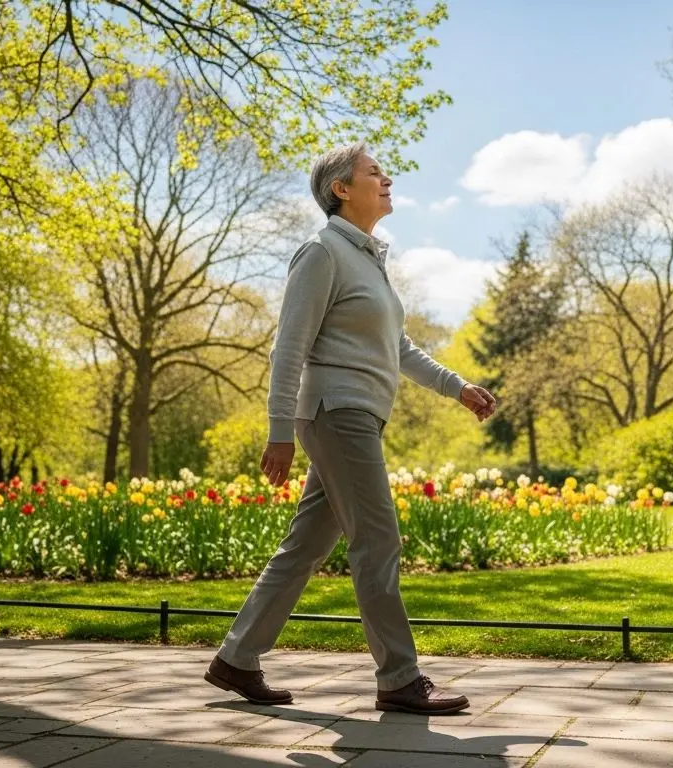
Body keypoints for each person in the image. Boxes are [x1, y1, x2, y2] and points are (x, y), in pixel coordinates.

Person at [204, 142, 498, 716]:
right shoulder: (321, 252)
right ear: (342, 189)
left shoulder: (368, 258)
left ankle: (236, 658)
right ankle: (399, 677)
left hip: (354, 414)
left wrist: (456, 387)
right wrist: (279, 431)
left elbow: (399, 347)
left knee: (305, 547)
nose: (386, 179)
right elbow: (288, 348)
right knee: (378, 539)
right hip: (337, 413)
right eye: (373, 172)